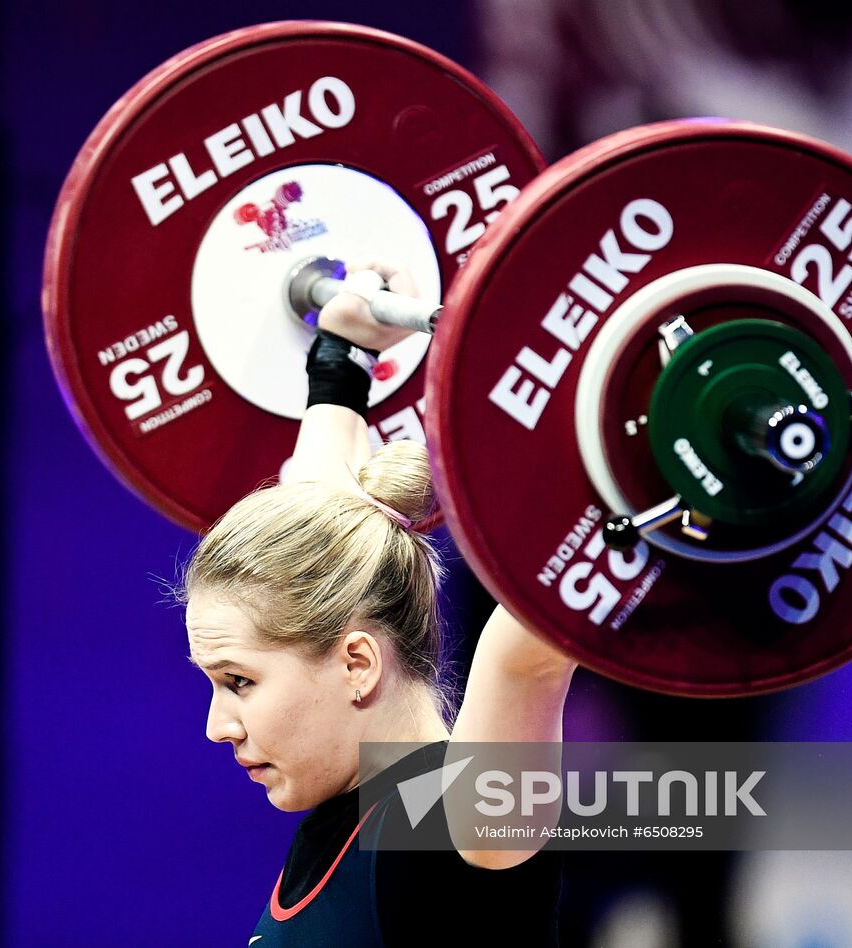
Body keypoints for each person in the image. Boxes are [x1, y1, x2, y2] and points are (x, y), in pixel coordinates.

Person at [181, 262, 579, 946]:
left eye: (238, 681)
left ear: (358, 663)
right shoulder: (341, 822)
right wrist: (342, 362)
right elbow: (324, 505)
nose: (219, 725)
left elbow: (529, 657)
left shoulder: (458, 817)